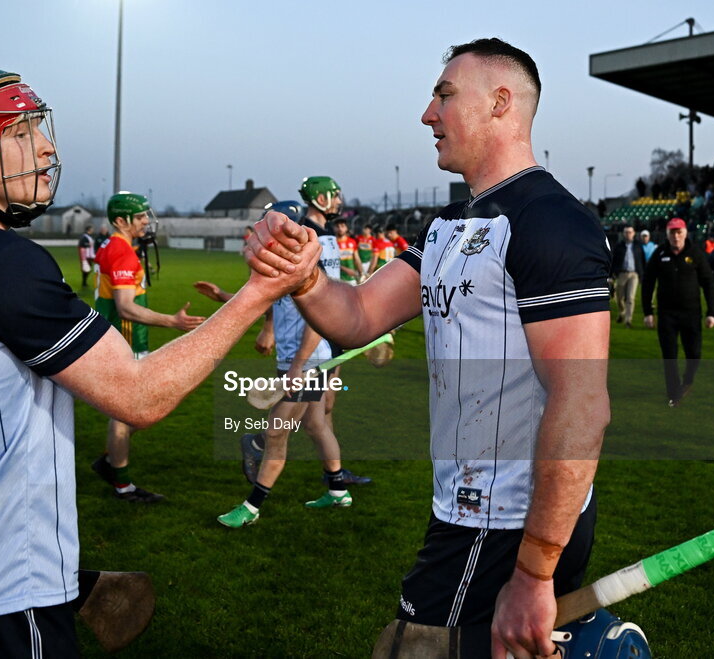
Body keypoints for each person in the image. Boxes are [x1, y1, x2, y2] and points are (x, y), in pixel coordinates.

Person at [0, 68, 318, 657]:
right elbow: (140, 394)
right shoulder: (0, 260)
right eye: (23, 133)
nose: (47, 147)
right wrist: (259, 291)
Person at [246, 38, 612, 658]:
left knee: (408, 650)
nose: (428, 114)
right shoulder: (449, 227)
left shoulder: (550, 222)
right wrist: (304, 275)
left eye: (444, 95)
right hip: (466, 509)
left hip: (507, 520)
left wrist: (534, 570)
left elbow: (582, 405)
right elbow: (358, 316)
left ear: (501, 103)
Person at [219, 179, 370, 529]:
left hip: (308, 359)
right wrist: (221, 296)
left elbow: (320, 317)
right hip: (302, 358)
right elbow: (261, 303)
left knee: (275, 432)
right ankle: (337, 492)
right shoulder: (288, 262)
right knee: (316, 424)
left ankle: (251, 507)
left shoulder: (306, 263)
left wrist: (299, 366)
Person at [90, 192, 205, 503]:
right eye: (139, 217)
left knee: (135, 410)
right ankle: (122, 484)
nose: (145, 221)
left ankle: (111, 461)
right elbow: (126, 307)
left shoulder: (116, 247)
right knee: (128, 413)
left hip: (121, 339)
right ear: (120, 221)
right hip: (124, 341)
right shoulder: (121, 251)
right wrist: (173, 321)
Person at [642, 218, 714, 407]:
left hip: (691, 313)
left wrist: (711, 312)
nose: (676, 236)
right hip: (667, 314)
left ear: (685, 233)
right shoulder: (659, 254)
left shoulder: (696, 254)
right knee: (669, 354)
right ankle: (674, 394)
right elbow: (648, 283)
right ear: (667, 234)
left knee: (694, 353)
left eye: (679, 232)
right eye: (672, 232)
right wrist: (648, 312)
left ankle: (688, 380)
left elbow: (708, 283)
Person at [609, 225, 645, 328]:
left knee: (630, 298)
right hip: (621, 274)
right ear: (623, 234)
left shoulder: (638, 246)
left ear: (634, 233)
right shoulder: (619, 246)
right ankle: (622, 312)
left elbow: (642, 260)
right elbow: (613, 261)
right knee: (619, 298)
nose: (628, 234)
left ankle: (628, 320)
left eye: (630, 232)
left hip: (634, 274)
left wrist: (643, 274)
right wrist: (610, 276)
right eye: (626, 232)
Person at [333, 216, 363, 283]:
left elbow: (357, 259)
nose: (340, 228)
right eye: (337, 226)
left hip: (351, 279)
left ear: (346, 228)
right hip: (337, 279)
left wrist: (362, 273)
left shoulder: (352, 242)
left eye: (342, 226)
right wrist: (345, 269)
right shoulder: (332, 243)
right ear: (334, 228)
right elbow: (331, 262)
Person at [77, 225, 96, 289]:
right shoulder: (84, 237)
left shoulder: (89, 236)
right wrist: (88, 245)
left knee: (88, 268)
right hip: (86, 256)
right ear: (89, 230)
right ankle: (84, 282)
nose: (93, 230)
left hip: (90, 255)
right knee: (86, 269)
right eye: (92, 229)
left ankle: (84, 282)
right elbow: (81, 244)